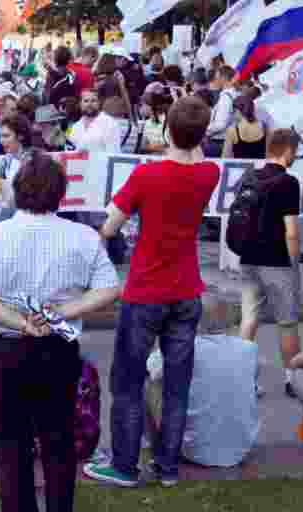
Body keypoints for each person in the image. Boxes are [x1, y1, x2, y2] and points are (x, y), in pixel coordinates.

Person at [0, 152, 119, 512]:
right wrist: (64, 311)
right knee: (58, 440)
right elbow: (109, 287)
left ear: (17, 191)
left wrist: (18, 322)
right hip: (57, 346)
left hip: (5, 349)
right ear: (61, 193)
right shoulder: (83, 237)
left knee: (11, 444)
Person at [87, 96, 220, 489]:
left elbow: (110, 226)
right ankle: (167, 466)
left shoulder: (146, 175)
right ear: (202, 135)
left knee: (128, 381)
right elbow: (195, 154)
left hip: (146, 289)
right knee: (177, 383)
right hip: (186, 289)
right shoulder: (209, 173)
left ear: (165, 130)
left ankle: (125, 466)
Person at [140, 291, 258, 470]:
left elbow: (146, 368)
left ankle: (161, 449)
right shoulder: (248, 349)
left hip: (194, 450)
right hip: (241, 450)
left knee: (147, 381)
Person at [237, 129, 303, 397]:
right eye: (294, 151)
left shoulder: (249, 177)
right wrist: (294, 264)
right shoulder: (288, 182)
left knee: (249, 319)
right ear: (288, 150)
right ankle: (293, 380)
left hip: (247, 258)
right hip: (277, 261)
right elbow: (291, 232)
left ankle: (244, 381)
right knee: (287, 322)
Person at [68, 89, 122, 153]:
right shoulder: (74, 126)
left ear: (99, 103)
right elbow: (69, 149)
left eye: (93, 101)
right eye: (86, 101)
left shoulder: (110, 124)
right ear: (80, 104)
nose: (89, 104)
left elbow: (113, 153)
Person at [204, 65, 238, 158]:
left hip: (219, 142)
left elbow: (220, 125)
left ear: (223, 78)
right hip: (226, 141)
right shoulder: (232, 94)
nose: (215, 79)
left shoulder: (226, 97)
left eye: (217, 77)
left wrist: (204, 130)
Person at [222, 94, 266, 160]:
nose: (232, 114)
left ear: (237, 111)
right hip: (260, 166)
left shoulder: (232, 130)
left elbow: (225, 157)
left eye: (233, 111)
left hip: (240, 166)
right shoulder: (264, 127)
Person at [0, 114, 34, 185]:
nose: (1, 141)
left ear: (20, 136)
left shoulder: (35, 160)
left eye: (6, 136)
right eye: (0, 136)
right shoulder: (5, 161)